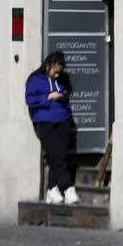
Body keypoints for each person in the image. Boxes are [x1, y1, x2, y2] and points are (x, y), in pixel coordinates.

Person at [25, 52, 80, 205]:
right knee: (56, 155)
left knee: (59, 155)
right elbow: (29, 99)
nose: (57, 75)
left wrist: (62, 98)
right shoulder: (35, 79)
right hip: (44, 122)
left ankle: (51, 189)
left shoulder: (61, 80)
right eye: (55, 71)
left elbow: (66, 96)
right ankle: (68, 188)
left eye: (59, 72)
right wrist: (48, 97)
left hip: (62, 121)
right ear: (48, 65)